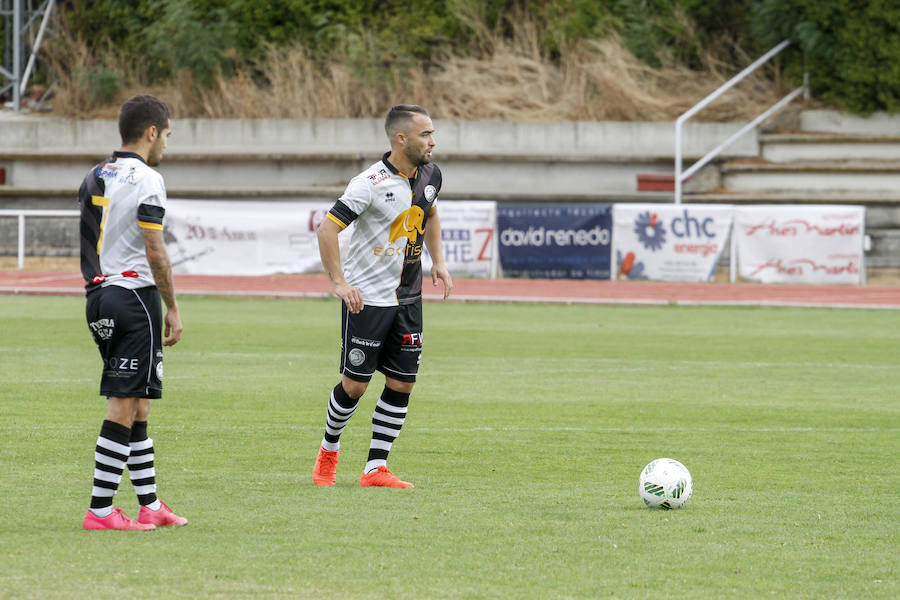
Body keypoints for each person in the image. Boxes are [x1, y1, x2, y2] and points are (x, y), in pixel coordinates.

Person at [312, 104, 453, 488]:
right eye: (426, 134)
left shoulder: (430, 174)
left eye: (433, 133)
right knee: (355, 385)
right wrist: (339, 283)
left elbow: (431, 213)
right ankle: (328, 450)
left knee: (402, 382)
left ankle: (376, 467)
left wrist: (438, 261)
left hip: (409, 298)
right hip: (368, 300)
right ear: (401, 138)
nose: (433, 141)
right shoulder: (368, 184)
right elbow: (327, 230)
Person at [79, 94, 187, 530]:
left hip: (98, 296)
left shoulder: (94, 175)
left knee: (139, 402)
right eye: (166, 135)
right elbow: (154, 247)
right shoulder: (147, 179)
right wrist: (173, 307)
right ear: (151, 132)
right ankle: (101, 510)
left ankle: (150, 504)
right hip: (134, 297)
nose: (166, 144)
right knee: (125, 403)